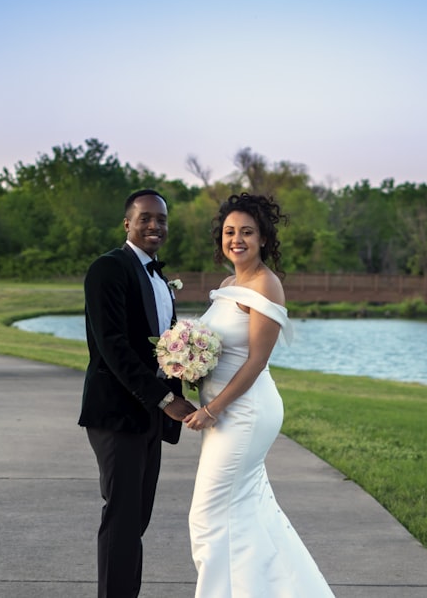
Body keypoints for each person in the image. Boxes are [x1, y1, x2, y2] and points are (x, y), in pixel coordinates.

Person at [184, 193, 334, 597]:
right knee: (246, 511)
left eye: (247, 232)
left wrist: (212, 408)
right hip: (225, 412)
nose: (237, 239)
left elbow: (255, 362)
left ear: (264, 238)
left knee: (208, 516)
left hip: (245, 412)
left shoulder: (267, 284)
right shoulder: (230, 283)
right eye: (230, 232)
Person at [78, 189, 197, 598]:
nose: (154, 226)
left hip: (149, 413)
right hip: (118, 414)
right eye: (145, 218)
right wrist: (166, 399)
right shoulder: (107, 269)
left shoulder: (159, 277)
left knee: (136, 519)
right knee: (122, 518)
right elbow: (113, 347)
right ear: (127, 223)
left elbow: (164, 348)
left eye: (161, 219)